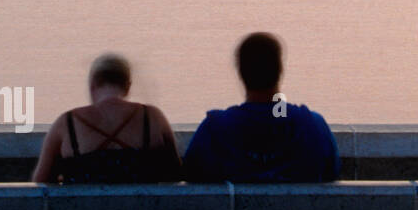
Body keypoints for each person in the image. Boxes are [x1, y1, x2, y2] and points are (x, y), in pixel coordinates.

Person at [183, 32, 339, 183]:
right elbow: (332, 175)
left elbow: (191, 177)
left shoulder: (213, 131)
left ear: (241, 73)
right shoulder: (313, 126)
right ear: (280, 70)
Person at [33, 53, 181, 184]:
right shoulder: (153, 117)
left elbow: (41, 182)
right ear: (128, 86)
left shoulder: (67, 122)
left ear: (93, 84)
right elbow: (176, 174)